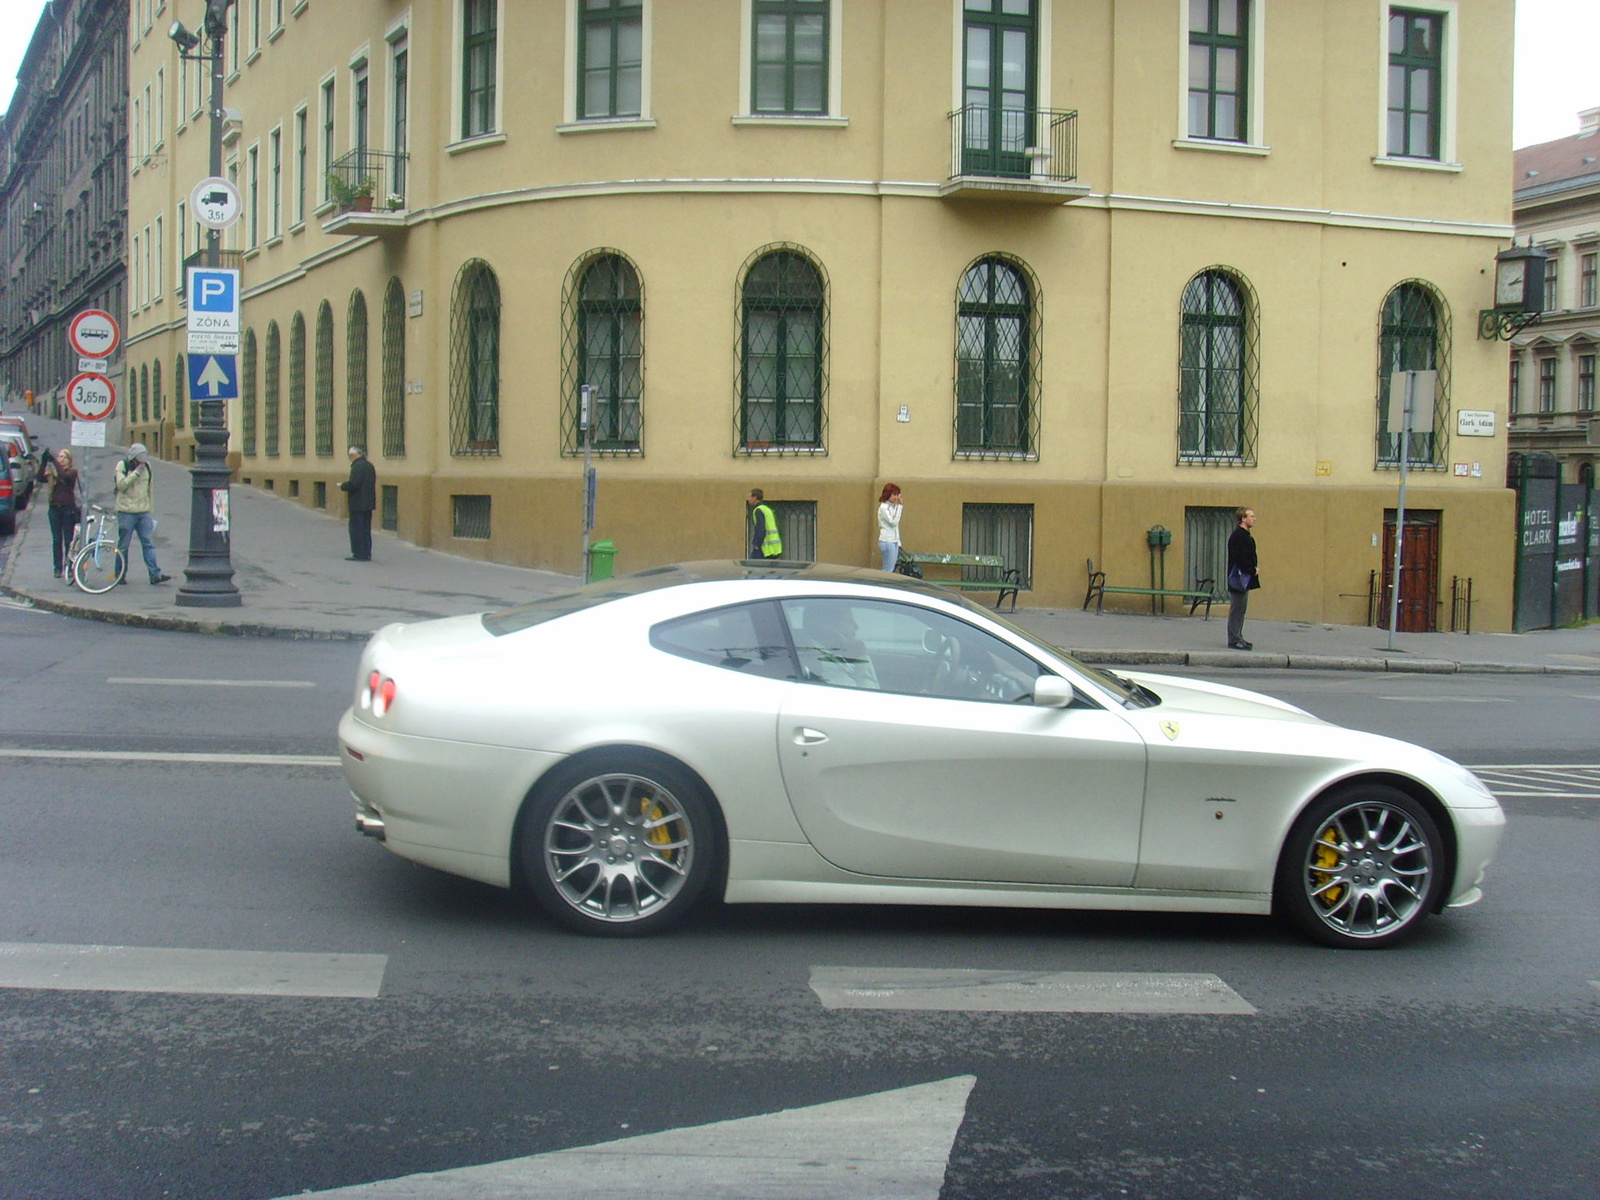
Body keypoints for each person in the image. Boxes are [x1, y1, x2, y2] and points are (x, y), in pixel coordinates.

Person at [114, 443, 171, 585]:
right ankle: (120, 574)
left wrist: (149, 508)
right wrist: (136, 473)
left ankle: (155, 574)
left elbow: (149, 488)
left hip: (143, 511)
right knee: (123, 545)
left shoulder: (148, 467)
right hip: (126, 511)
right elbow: (121, 485)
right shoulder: (122, 466)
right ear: (133, 458)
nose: (142, 462)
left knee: (148, 543)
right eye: (140, 459)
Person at [42, 448, 82, 579]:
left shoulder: (72, 472)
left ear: (69, 460)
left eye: (64, 457)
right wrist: (44, 461)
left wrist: (54, 462)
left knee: (69, 540)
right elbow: (39, 478)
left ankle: (69, 566)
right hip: (54, 509)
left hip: (67, 509)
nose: (61, 459)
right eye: (59, 457)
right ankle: (57, 568)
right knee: (56, 540)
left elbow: (63, 477)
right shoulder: (53, 471)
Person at [1226, 506, 1259, 650]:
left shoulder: (1245, 535)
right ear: (1243, 519)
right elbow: (1240, 558)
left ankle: (1238, 636)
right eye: (1251, 516)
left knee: (1241, 609)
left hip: (1244, 577)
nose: (1254, 519)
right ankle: (1233, 639)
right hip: (1239, 578)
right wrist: (1252, 570)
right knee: (1237, 609)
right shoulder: (1239, 536)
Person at [339, 445, 377, 561]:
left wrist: (343, 486)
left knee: (356, 529)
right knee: (366, 529)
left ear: (354, 456)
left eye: (350, 456)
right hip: (368, 503)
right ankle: (366, 553)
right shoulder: (370, 466)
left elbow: (354, 484)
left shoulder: (357, 467)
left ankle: (359, 554)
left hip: (357, 503)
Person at [746, 488, 783, 560]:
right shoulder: (767, 509)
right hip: (775, 547)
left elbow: (760, 529)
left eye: (750, 497)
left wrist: (757, 544)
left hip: (765, 548)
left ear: (755, 498)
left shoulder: (758, 510)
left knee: (753, 566)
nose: (749, 499)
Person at [876, 483, 903, 572]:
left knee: (890, 569)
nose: (896, 497)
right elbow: (893, 522)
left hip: (893, 541)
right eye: (894, 494)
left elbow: (895, 528)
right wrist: (899, 506)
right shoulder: (884, 508)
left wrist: (898, 542)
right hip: (887, 541)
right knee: (888, 569)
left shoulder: (891, 507)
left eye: (897, 495)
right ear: (888, 494)